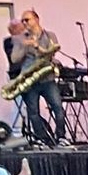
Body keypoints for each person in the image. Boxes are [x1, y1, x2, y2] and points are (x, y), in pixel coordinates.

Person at [7, 11, 67, 144]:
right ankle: (41, 138)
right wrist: (24, 45)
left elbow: (51, 53)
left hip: (47, 77)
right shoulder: (19, 38)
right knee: (33, 111)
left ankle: (61, 136)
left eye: (27, 20)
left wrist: (37, 47)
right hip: (30, 78)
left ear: (36, 19)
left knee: (58, 107)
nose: (24, 23)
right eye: (23, 21)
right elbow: (14, 59)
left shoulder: (50, 35)